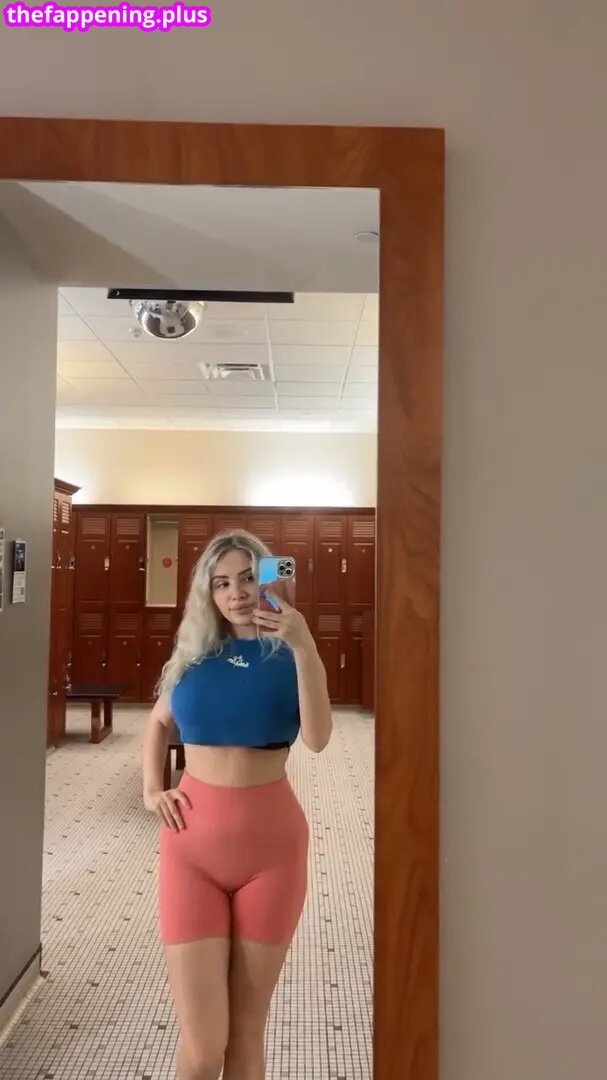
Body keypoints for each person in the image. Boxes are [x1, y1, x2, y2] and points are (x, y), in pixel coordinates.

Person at [141, 529, 332, 1080]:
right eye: (222, 583)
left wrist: (305, 646)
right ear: (209, 593)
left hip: (271, 853)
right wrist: (152, 789)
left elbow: (317, 738)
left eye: (248, 578)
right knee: (204, 1046)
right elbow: (157, 722)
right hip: (191, 853)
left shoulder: (290, 654)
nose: (237, 593)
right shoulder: (195, 654)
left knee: (247, 1034)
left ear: (268, 579)